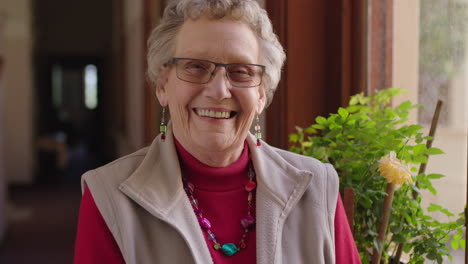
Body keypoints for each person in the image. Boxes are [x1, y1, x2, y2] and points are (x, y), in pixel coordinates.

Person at [74, 0, 361, 263]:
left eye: (240, 71)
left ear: (261, 94)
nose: (219, 91)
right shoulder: (108, 196)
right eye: (196, 67)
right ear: (163, 85)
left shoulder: (317, 187)